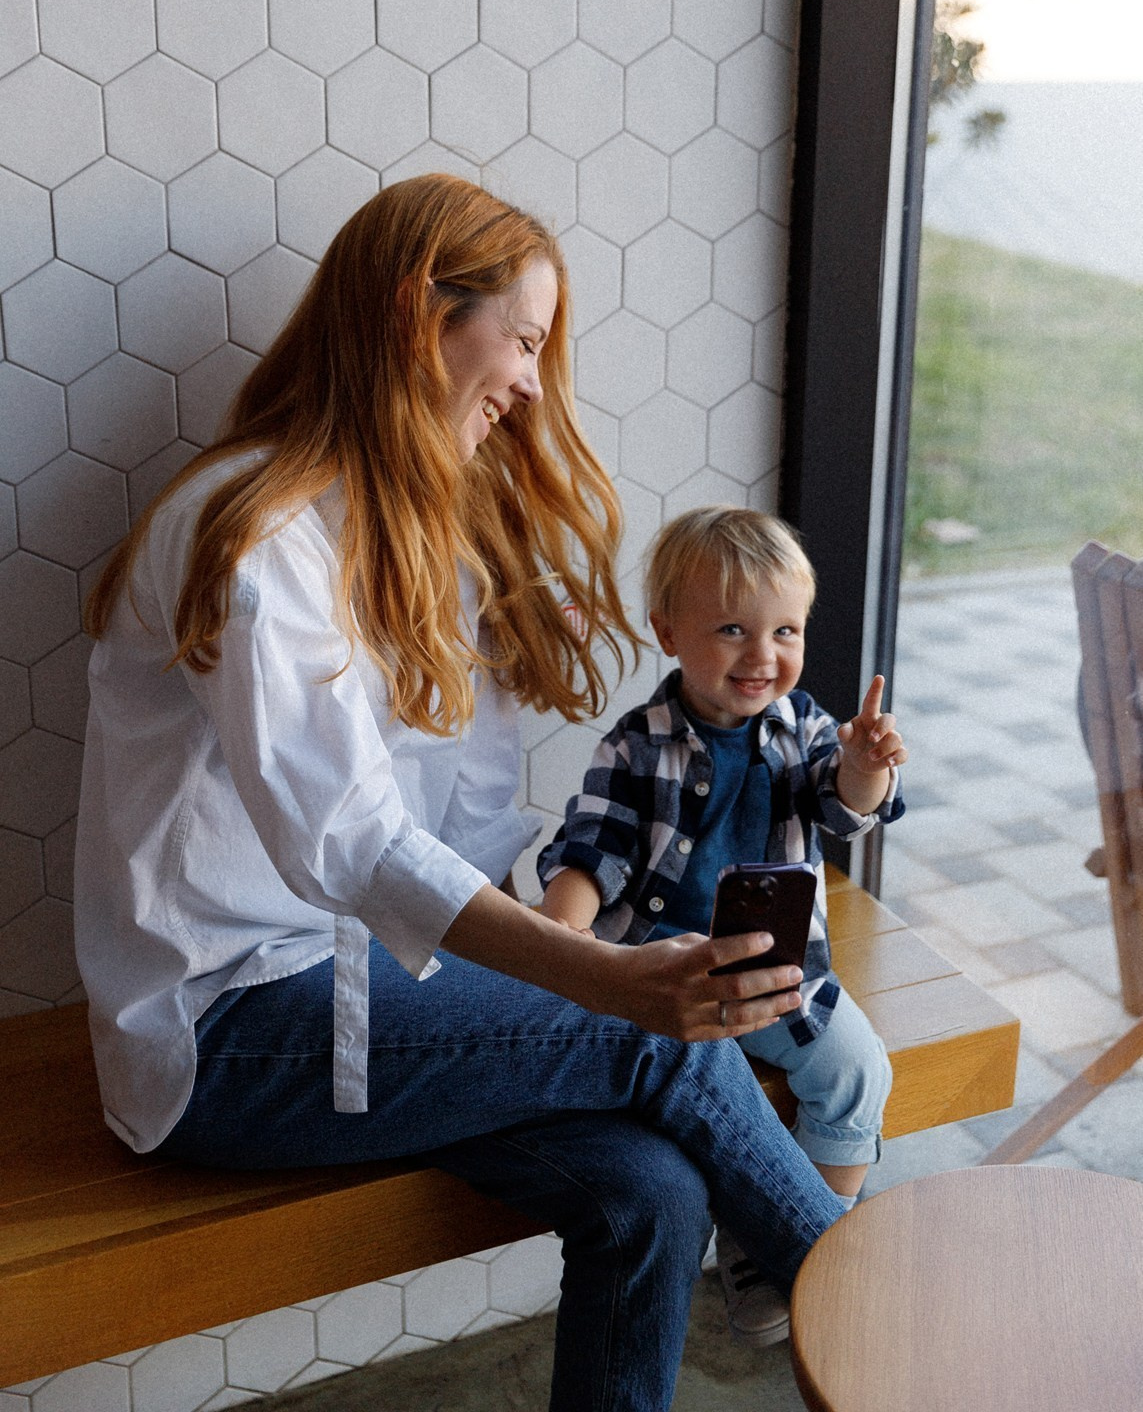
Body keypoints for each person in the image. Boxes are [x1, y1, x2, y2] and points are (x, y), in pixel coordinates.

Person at [73, 176, 844, 1412]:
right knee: (675, 1058)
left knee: (653, 1194)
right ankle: (911, 1326)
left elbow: (469, 827)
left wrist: (573, 957)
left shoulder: (426, 534)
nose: (536, 383)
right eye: (525, 339)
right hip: (227, 1031)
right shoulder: (251, 527)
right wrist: (601, 988)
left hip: (371, 999)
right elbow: (354, 846)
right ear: (416, 316)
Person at [538, 505, 906, 1344]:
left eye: (785, 630)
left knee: (857, 1073)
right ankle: (758, 1230)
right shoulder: (636, 746)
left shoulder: (805, 728)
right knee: (689, 1124)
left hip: (782, 977)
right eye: (733, 629)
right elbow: (593, 847)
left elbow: (843, 814)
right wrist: (561, 937)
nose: (762, 655)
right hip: (663, 982)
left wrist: (861, 769)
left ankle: (786, 1235)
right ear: (668, 633)